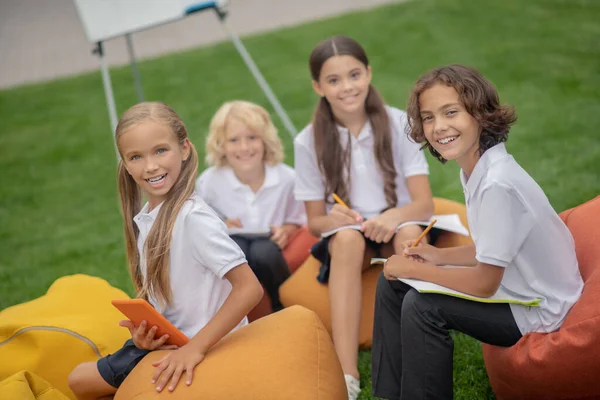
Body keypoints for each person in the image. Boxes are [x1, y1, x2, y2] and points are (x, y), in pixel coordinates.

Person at [371, 64, 583, 399]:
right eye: (428, 117)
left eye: (451, 112)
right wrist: (438, 256)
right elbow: (492, 248)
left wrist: (417, 269)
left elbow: (485, 282)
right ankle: (391, 393)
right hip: (518, 289)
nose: (439, 127)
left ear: (480, 114)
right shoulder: (476, 169)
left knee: (423, 307)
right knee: (391, 282)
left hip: (538, 308)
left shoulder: (498, 184)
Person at [68, 102, 263, 399]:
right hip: (169, 340)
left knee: (78, 380)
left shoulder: (193, 218)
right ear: (125, 164)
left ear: (184, 149)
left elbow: (249, 288)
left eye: (161, 150)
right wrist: (146, 336)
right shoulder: (151, 216)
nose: (151, 166)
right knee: (85, 379)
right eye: (136, 157)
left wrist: (194, 350)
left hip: (197, 344)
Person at [294, 36, 434, 400]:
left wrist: (394, 216)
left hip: (399, 221)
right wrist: (334, 218)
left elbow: (423, 204)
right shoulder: (307, 141)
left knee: (408, 237)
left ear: (369, 74)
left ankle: (417, 358)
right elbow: (314, 222)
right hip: (350, 234)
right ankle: (346, 371)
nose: (347, 87)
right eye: (334, 80)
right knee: (347, 238)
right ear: (318, 87)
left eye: (354, 74)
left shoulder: (400, 122)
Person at [197, 100, 305, 312]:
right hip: (233, 241)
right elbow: (201, 221)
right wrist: (222, 223)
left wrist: (285, 230)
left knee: (263, 252)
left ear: (265, 141)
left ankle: (283, 306)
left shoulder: (286, 178)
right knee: (240, 252)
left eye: (252, 138)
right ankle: (241, 312)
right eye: (234, 140)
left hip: (269, 244)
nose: (244, 148)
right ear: (221, 145)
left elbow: (298, 218)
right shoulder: (210, 181)